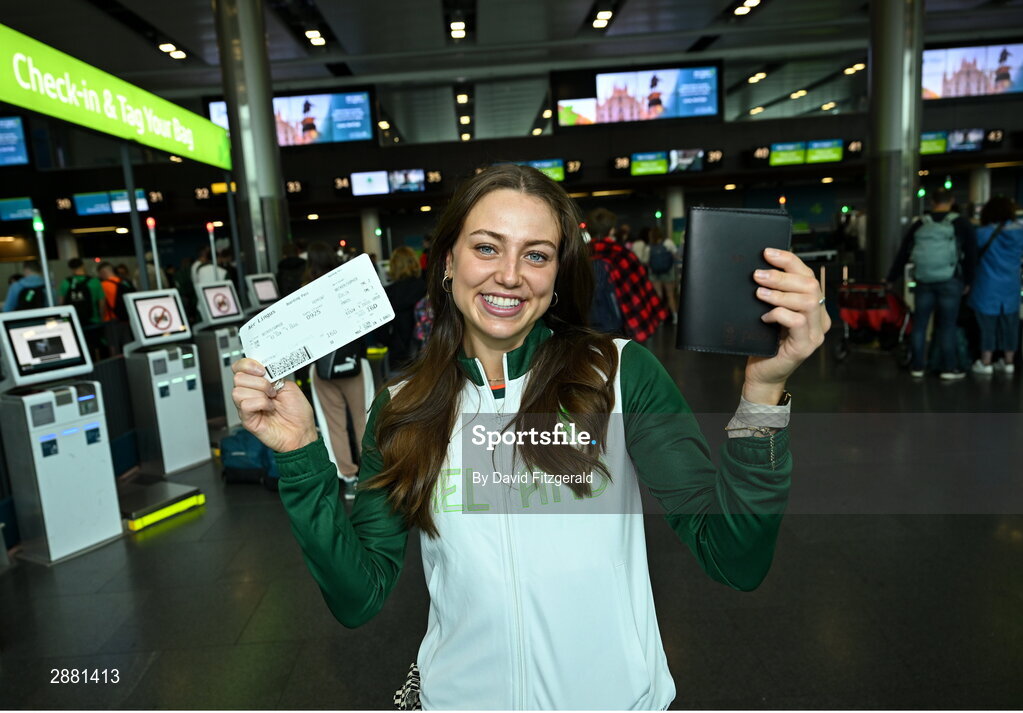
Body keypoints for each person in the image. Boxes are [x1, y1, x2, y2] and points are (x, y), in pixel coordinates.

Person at [231, 164, 829, 710]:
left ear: (559, 272)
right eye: (487, 247)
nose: (509, 275)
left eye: (536, 255)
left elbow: (734, 557)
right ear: (447, 261)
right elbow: (358, 596)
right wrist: (303, 454)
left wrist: (763, 396)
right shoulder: (401, 406)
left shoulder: (619, 373)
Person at [887, 188, 977, 379]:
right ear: (951, 200)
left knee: (919, 324)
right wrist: (969, 281)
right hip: (950, 280)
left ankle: (918, 366)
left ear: (931, 202)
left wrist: (891, 278)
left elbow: (903, 252)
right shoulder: (960, 223)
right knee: (947, 325)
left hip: (923, 280)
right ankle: (948, 368)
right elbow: (971, 254)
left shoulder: (921, 223)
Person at [305, 241, 367, 497]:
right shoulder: (346, 285)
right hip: (354, 363)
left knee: (335, 425)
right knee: (365, 419)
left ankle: (349, 477)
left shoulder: (305, 292)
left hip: (322, 368)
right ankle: (374, 475)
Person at [587, 207, 666, 342]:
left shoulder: (578, 255)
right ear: (611, 230)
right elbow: (639, 291)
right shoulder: (623, 254)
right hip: (620, 330)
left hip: (585, 329)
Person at [968, 195, 1023, 376]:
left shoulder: (982, 233)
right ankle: (1008, 362)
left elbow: (971, 255)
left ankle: (986, 362)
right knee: (1010, 324)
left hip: (987, 285)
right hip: (1011, 286)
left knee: (987, 325)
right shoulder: (1020, 231)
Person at [375, 246, 427, 372]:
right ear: (414, 263)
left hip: (397, 358)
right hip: (425, 356)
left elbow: (381, 334)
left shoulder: (387, 294)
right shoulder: (426, 288)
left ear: (393, 266)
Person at [59, 258, 106, 357]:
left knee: (78, 347)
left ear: (70, 268)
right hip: (92, 320)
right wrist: (101, 318)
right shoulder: (94, 282)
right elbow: (102, 302)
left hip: (74, 322)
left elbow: (61, 303)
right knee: (95, 346)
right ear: (82, 265)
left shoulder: (66, 282)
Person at [644, 226, 679, 324]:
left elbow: (646, 261)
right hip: (668, 272)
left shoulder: (649, 247)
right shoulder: (668, 243)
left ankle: (660, 318)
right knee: (670, 295)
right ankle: (675, 316)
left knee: (658, 296)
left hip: (655, 273)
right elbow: (675, 255)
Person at [98, 261, 133, 355]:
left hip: (111, 319)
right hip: (126, 318)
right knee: (128, 343)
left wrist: (101, 318)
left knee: (114, 346)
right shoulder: (124, 282)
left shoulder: (103, 285)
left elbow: (102, 304)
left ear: (103, 272)